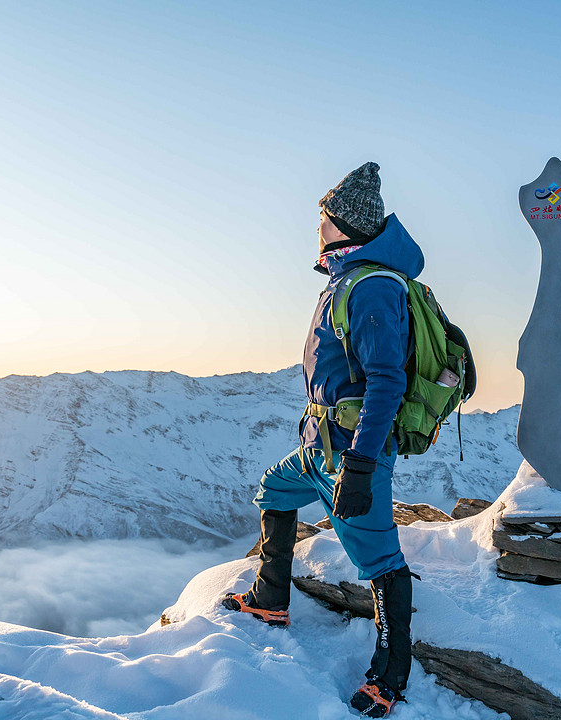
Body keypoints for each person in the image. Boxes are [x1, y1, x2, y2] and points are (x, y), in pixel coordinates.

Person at [222, 161, 422, 718]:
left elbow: (387, 382)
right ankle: (270, 601)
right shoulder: (346, 278)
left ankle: (391, 675)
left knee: (381, 559)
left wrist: (360, 467)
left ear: (345, 226)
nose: (317, 225)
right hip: (320, 446)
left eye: (324, 217)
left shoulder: (374, 287)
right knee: (275, 490)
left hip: (351, 453)